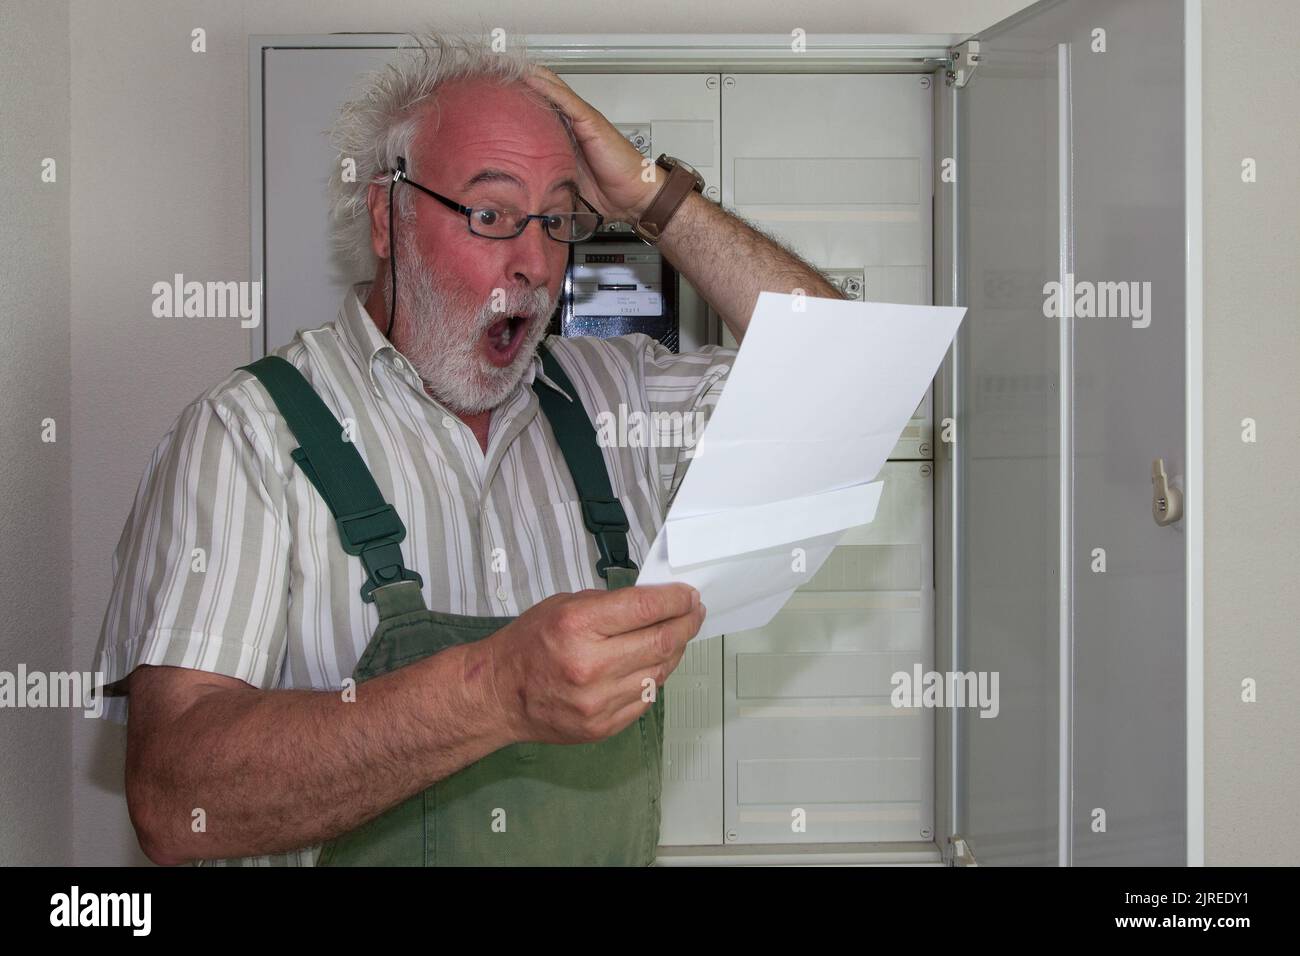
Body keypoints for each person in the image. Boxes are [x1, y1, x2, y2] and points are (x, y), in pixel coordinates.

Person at [93, 31, 842, 866]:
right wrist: (494, 693)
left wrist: (653, 200)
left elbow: (843, 372)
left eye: (556, 219)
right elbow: (175, 799)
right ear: (387, 217)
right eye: (489, 214)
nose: (532, 263)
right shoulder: (247, 436)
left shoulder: (617, 399)